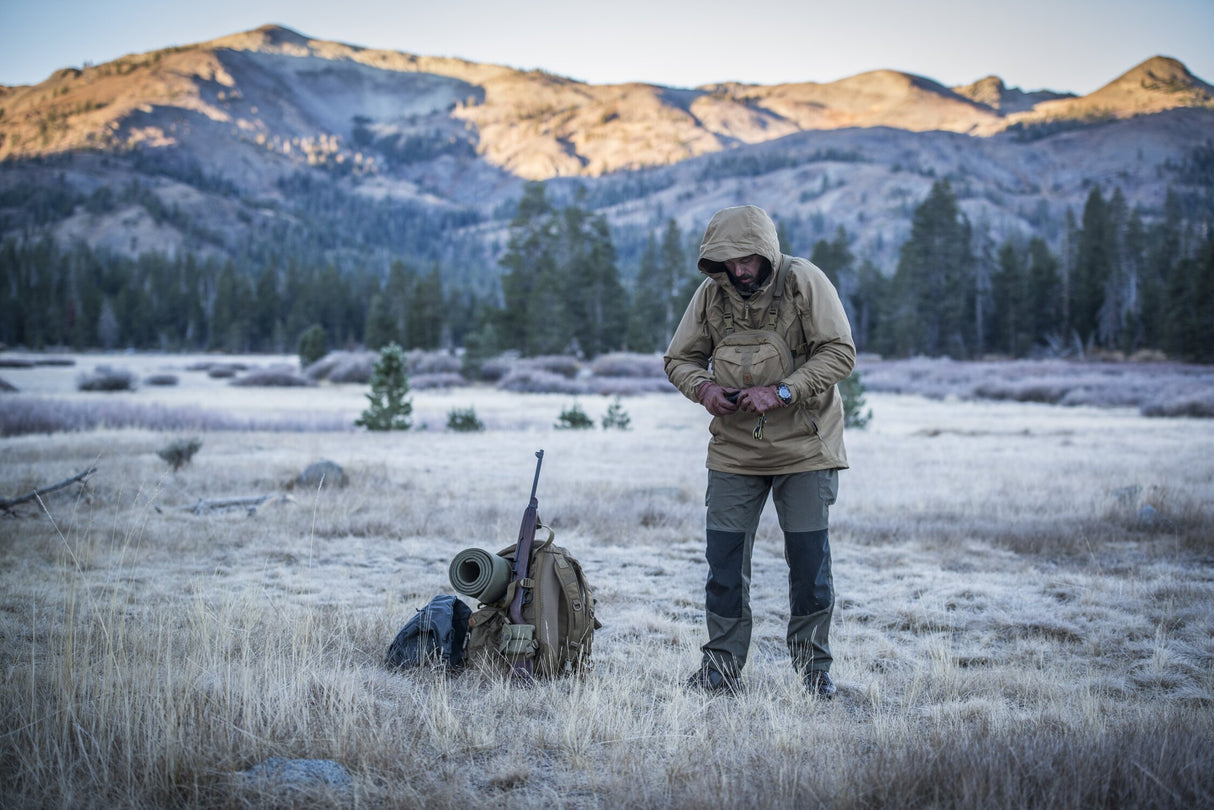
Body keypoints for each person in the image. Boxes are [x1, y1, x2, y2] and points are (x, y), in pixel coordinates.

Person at [664, 204, 855, 698]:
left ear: (766, 252)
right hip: (734, 451)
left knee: (808, 564)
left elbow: (840, 351)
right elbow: (679, 359)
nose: (740, 270)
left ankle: (814, 673)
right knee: (723, 564)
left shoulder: (804, 281)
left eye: (748, 259)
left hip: (805, 447)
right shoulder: (710, 294)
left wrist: (785, 391)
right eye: (729, 262)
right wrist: (703, 389)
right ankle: (720, 669)